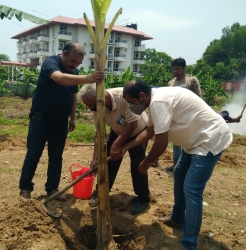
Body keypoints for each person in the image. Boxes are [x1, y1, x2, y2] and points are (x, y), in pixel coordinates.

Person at [122, 80, 232, 250]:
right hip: (194, 143)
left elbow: (161, 143)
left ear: (142, 96)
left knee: (192, 189)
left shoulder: (159, 102)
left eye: (132, 102)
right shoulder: (153, 101)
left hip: (209, 141)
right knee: (179, 174)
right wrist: (125, 148)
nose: (131, 107)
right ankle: (178, 219)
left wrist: (147, 161)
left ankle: (189, 244)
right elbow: (149, 132)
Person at [19, 43, 105, 201]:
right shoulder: (50, 63)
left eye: (78, 63)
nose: (75, 65)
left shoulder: (74, 71)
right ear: (64, 53)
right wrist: (89, 78)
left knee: (56, 156)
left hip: (60, 121)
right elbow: (59, 78)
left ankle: (52, 189)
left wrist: (73, 117)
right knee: (33, 154)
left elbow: (72, 96)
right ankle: (25, 188)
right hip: (41, 118)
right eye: (73, 61)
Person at [78, 83, 150, 215]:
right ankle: (101, 193)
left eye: (91, 105)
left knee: (138, 164)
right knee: (108, 162)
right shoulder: (96, 108)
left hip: (138, 131)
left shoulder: (124, 97)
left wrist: (117, 145)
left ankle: (142, 198)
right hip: (117, 131)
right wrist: (95, 158)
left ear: (100, 99)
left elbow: (132, 123)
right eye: (87, 105)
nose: (89, 109)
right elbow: (99, 133)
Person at [163, 58, 202, 172]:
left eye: (178, 69)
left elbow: (198, 97)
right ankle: (176, 163)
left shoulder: (191, 81)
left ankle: (188, 164)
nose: (175, 71)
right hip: (176, 115)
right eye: (174, 69)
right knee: (176, 140)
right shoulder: (171, 83)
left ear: (184, 68)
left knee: (189, 140)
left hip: (189, 115)